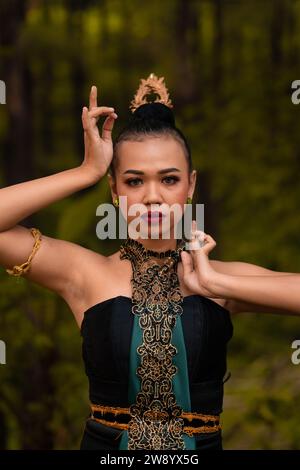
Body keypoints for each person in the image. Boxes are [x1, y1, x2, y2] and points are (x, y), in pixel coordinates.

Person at [0, 73, 299, 451]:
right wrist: (85, 172)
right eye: (134, 181)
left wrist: (219, 286)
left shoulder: (219, 278)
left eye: (169, 180)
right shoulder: (85, 274)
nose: (153, 197)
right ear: (114, 189)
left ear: (190, 186)